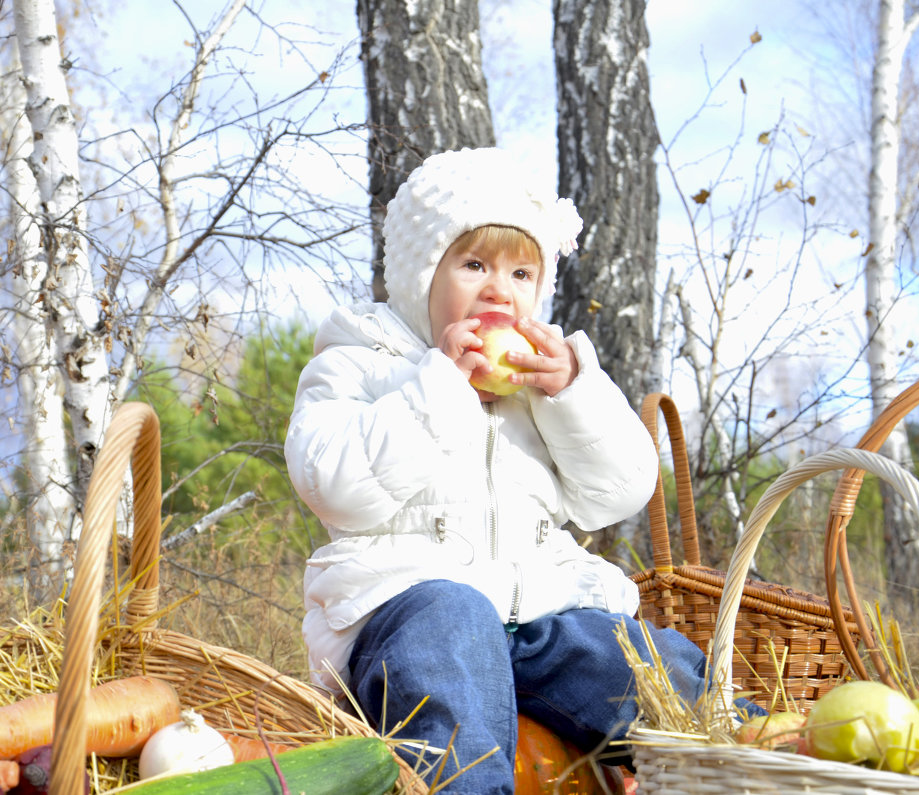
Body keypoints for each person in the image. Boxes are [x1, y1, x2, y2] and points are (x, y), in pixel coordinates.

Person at [284, 148, 754, 793]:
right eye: (474, 264)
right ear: (422, 276)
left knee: (642, 661)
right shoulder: (361, 363)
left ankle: (765, 757)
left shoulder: (545, 376)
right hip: (408, 617)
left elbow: (615, 494)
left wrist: (571, 396)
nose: (499, 290)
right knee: (451, 626)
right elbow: (333, 485)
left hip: (539, 618)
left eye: (523, 273)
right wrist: (440, 389)